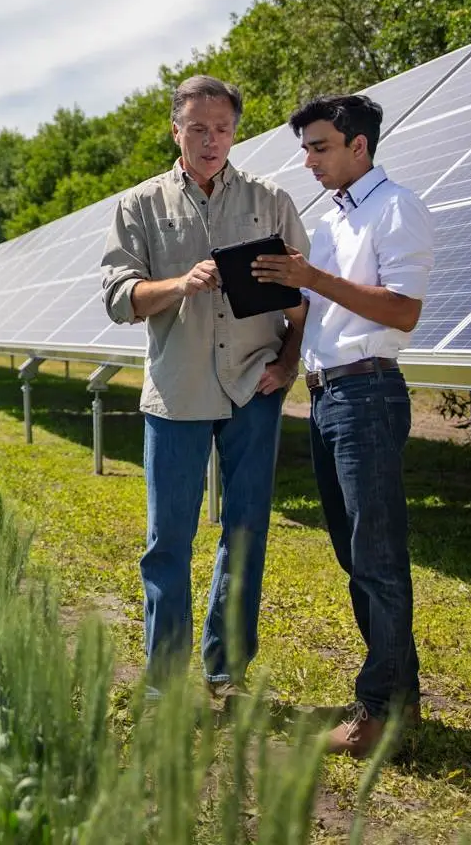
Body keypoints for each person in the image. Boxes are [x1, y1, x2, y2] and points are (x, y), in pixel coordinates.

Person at [100, 75, 308, 694]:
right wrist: (178, 285)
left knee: (246, 530)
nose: (211, 140)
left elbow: (303, 296)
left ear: (234, 131)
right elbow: (118, 299)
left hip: (254, 388)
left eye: (222, 128)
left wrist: (290, 363)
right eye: (198, 128)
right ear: (176, 130)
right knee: (169, 538)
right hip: (178, 390)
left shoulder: (270, 200)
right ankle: (164, 679)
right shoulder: (140, 205)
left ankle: (227, 671)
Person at [251, 94, 435, 757]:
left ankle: (379, 714)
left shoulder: (396, 208)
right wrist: (285, 340)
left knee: (378, 561)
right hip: (327, 398)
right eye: (306, 148)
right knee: (357, 558)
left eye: (320, 146)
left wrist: (313, 277)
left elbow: (403, 311)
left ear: (360, 145)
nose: (309, 161)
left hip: (369, 396)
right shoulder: (330, 220)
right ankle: (399, 703)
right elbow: (313, 311)